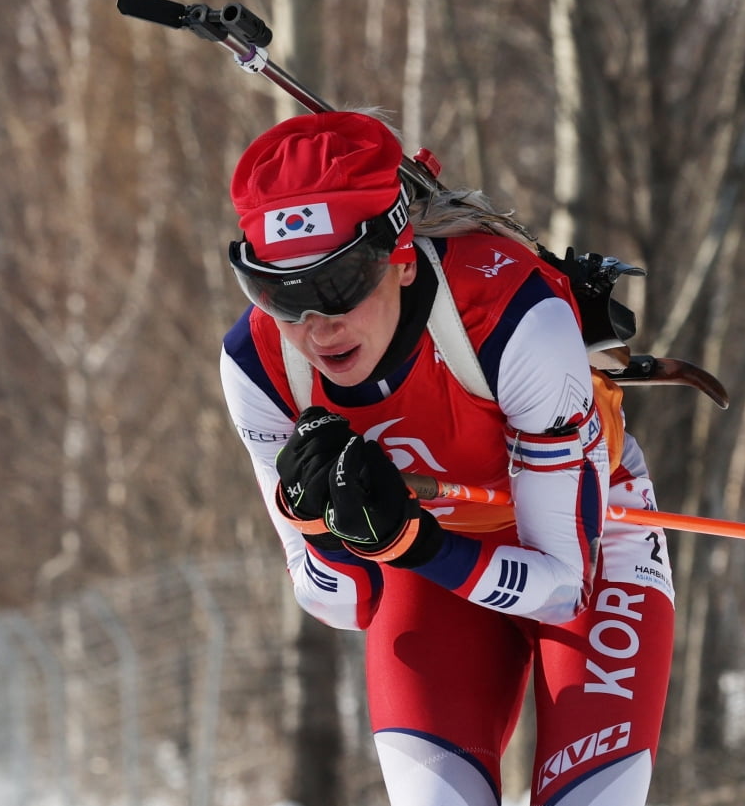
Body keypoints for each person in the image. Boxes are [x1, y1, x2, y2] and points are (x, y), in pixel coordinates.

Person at [219, 110, 676, 806]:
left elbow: (561, 588)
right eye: (281, 294)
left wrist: (409, 539)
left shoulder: (513, 318)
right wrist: (320, 524)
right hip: (431, 562)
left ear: (398, 258)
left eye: (339, 285)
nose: (318, 327)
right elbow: (339, 600)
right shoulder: (258, 363)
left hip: (592, 544)